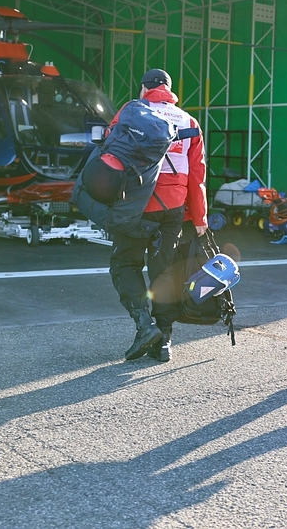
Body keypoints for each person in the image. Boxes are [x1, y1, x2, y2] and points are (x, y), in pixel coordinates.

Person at [108, 69, 207, 362]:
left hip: (136, 207)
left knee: (125, 264)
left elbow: (109, 151)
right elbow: (197, 175)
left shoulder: (130, 112)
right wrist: (200, 218)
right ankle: (163, 341)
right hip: (172, 210)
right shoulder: (189, 122)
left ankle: (144, 325)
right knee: (164, 272)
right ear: (170, 91)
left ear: (143, 90)